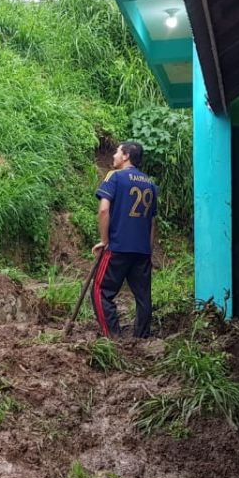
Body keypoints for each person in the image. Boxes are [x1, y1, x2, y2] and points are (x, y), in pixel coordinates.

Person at [91, 141, 158, 339]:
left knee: (100, 291)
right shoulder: (150, 184)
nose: (114, 156)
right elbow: (152, 222)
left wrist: (104, 240)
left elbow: (103, 210)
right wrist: (149, 250)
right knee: (143, 296)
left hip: (118, 246)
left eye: (117, 152)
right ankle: (142, 337)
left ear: (126, 155)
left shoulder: (115, 177)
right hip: (142, 250)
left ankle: (113, 337)